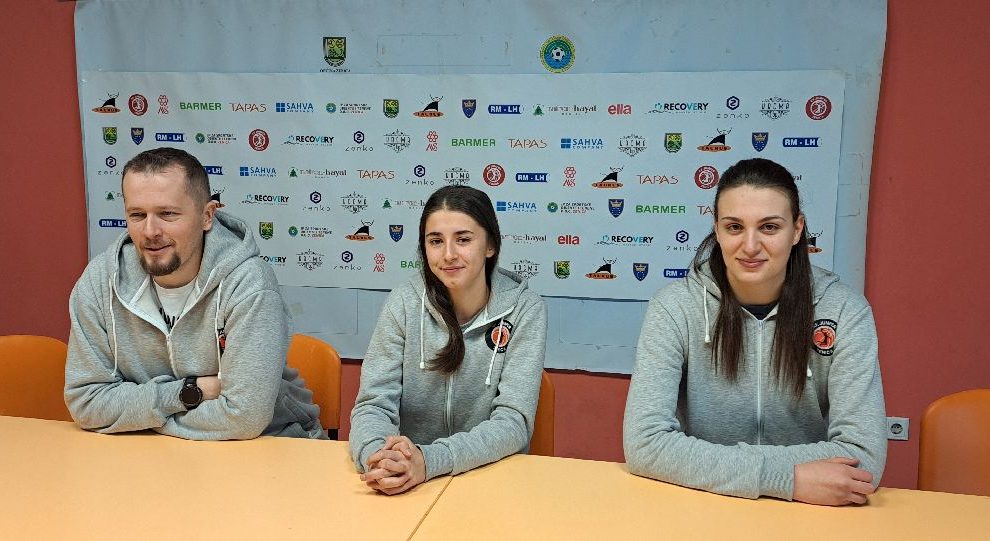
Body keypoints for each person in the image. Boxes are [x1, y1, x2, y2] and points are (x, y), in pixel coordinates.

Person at [623, 157, 886, 505]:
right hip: (707, 502)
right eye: (734, 227)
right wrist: (786, 479)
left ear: (797, 230)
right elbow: (644, 443)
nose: (750, 246)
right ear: (717, 230)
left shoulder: (844, 310)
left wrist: (706, 463)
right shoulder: (674, 307)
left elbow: (863, 456)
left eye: (769, 227)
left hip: (813, 511)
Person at [65, 147, 324, 440]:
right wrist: (190, 391)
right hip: (152, 452)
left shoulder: (248, 281)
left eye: (167, 214)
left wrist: (135, 417)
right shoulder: (101, 280)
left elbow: (244, 417)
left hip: (269, 445)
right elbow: (86, 402)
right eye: (137, 215)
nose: (150, 231)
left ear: (207, 216)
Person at [350, 185, 547, 495]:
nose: (449, 254)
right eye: (436, 241)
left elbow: (512, 422)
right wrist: (379, 459)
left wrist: (429, 460)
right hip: (410, 482)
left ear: (490, 245)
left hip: (489, 479)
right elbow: (373, 404)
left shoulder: (525, 309)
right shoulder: (404, 302)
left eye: (464, 239)